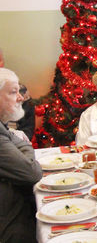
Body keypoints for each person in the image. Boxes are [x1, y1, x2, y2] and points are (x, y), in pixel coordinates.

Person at [0, 67, 43, 242]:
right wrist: (24, 146)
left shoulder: (3, 126)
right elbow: (32, 172)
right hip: (10, 221)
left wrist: (20, 145)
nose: (21, 98)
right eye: (13, 92)